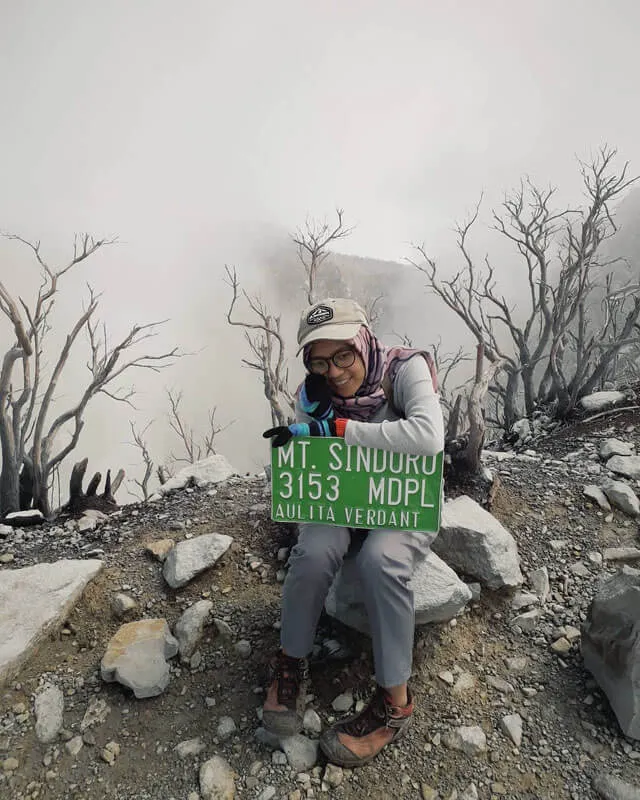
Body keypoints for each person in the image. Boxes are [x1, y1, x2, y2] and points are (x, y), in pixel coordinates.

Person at [261, 297, 445, 768]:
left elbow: (428, 437)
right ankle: (291, 662)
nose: (336, 372)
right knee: (314, 552)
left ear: (363, 339)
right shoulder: (313, 391)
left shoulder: (405, 370)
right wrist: (294, 457)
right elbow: (310, 458)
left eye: (343, 355)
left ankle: (395, 704)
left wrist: (344, 430)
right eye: (320, 361)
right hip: (343, 499)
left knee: (381, 561)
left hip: (401, 500)